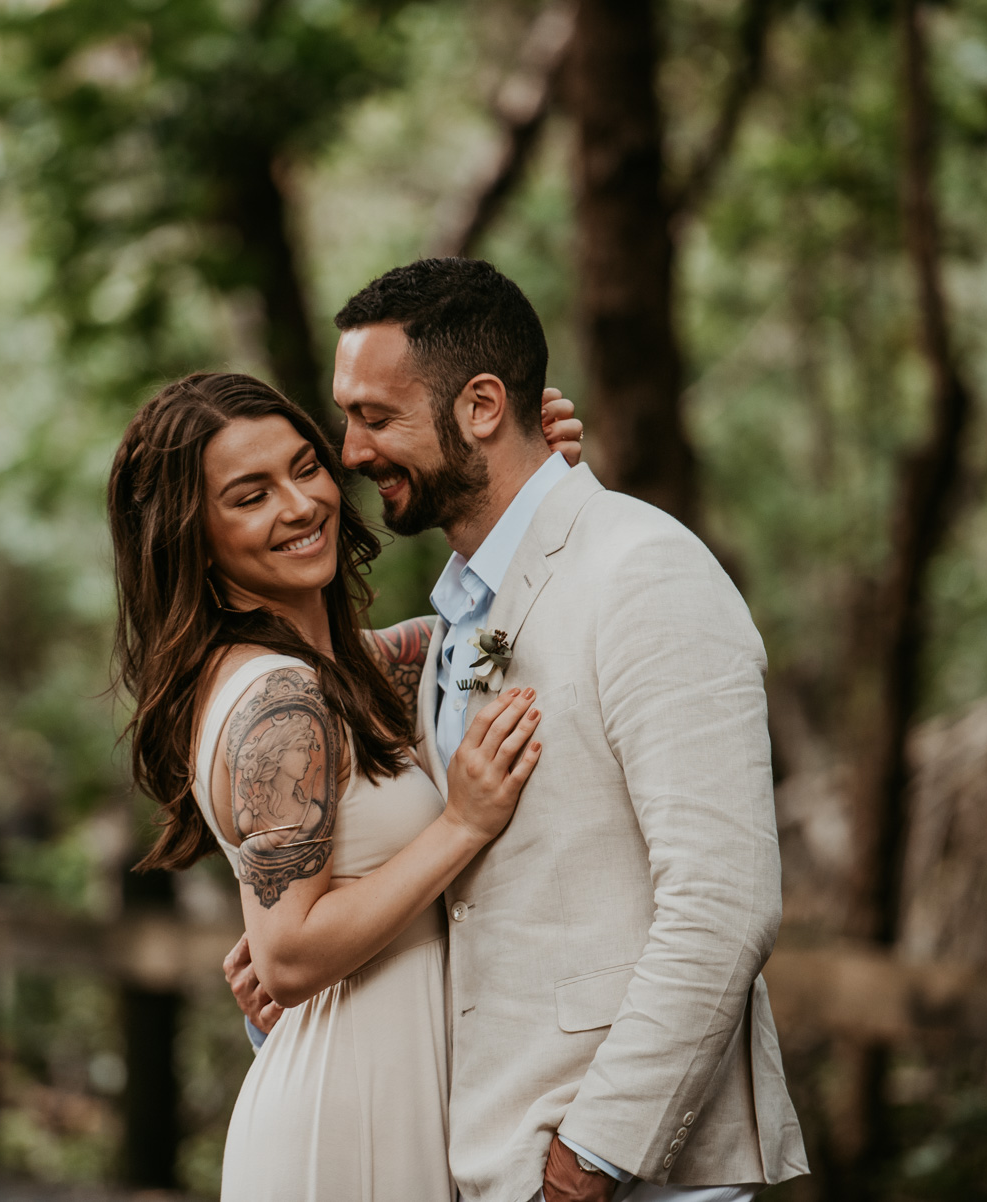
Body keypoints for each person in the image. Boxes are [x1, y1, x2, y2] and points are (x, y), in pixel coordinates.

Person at [228, 257, 809, 1202]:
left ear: (483, 406)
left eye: (375, 417)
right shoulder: (462, 615)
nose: (350, 451)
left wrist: (590, 1165)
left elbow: (723, 905)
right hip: (485, 1160)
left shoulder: (646, 573)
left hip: (625, 1178)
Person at [107, 368, 584, 1201]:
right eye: (250, 496)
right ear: (195, 537)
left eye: (303, 467)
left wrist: (535, 483)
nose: (298, 506)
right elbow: (286, 957)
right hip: (348, 1116)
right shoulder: (278, 698)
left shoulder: (348, 669)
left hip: (398, 1092)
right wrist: (460, 826)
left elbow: (487, 635)